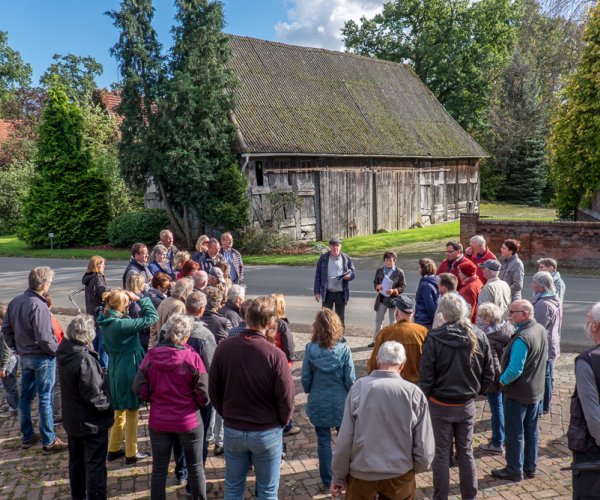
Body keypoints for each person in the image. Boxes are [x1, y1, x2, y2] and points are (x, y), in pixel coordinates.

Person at [209, 296, 295, 499]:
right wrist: (280, 423)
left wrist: (227, 414)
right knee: (266, 491)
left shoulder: (224, 348)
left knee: (233, 487)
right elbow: (286, 399)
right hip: (266, 430)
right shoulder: (275, 355)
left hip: (234, 429)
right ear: (270, 323)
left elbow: (214, 390)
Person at [330, 341, 435, 499]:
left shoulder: (359, 388)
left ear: (378, 361)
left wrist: (339, 476)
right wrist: (416, 468)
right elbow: (424, 445)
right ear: (402, 365)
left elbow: (344, 439)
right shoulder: (414, 393)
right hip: (399, 473)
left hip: (362, 474)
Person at [419, 293, 494, 499]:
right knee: (465, 451)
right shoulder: (479, 335)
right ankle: (469, 495)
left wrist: (424, 398)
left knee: (442, 454)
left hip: (441, 402)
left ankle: (440, 496)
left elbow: (426, 375)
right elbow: (490, 373)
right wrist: (476, 391)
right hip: (463, 402)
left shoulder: (434, 337)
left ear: (443, 313)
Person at [134, 314, 209, 500]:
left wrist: (152, 398)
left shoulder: (151, 357)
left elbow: (138, 387)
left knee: (159, 469)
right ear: (185, 336)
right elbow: (204, 393)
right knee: (196, 467)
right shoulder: (192, 358)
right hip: (188, 420)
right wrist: (195, 404)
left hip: (160, 420)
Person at [1, 266, 68, 452]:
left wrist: (17, 347)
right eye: (50, 283)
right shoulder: (38, 306)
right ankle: (49, 440)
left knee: (25, 397)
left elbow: (6, 329)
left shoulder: (15, 301)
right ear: (44, 285)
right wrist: (56, 352)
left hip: (25, 356)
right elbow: (44, 337)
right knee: (45, 398)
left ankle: (28, 435)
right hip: (41, 358)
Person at [97, 289, 158, 464]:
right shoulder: (121, 325)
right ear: (121, 305)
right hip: (128, 368)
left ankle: (113, 448)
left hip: (115, 367)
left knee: (119, 411)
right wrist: (141, 300)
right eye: (127, 303)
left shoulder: (105, 320)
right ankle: (132, 452)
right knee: (132, 410)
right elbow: (152, 317)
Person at [56, 314, 113, 500]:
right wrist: (109, 406)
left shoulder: (65, 350)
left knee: (77, 462)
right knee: (94, 465)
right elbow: (94, 396)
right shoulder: (83, 359)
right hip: (90, 423)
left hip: (73, 419)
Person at [492, 299, 548, 482]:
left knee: (514, 432)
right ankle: (530, 467)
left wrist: (501, 382)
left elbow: (515, 369)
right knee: (531, 430)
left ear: (524, 314)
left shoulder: (522, 338)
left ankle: (514, 469)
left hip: (518, 393)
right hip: (535, 390)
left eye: (512, 312)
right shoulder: (540, 329)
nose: (509, 315)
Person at [302, 309, 355, 490]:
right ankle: (344, 476)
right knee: (344, 440)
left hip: (319, 399)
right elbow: (350, 379)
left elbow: (305, 378)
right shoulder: (344, 350)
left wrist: (310, 390)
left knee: (323, 440)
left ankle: (327, 480)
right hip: (340, 401)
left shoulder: (310, 349)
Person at [568, 302, 600, 497]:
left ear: (595, 325)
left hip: (591, 450)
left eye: (587, 319)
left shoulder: (587, 360)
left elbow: (593, 414)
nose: (586, 324)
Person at [477, 303, 514, 455]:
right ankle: (505, 438)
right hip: (508, 376)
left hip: (496, 380)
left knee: (496, 409)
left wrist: (493, 382)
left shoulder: (488, 336)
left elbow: (493, 364)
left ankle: (497, 442)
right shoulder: (508, 328)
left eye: (482, 317)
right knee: (504, 408)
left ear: (487, 319)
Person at [367, 295, 428, 383]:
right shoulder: (423, 332)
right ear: (413, 313)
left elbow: (374, 363)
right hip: (416, 384)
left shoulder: (385, 332)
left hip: (390, 383)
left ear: (396, 312)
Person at [202, 286, 233, 456]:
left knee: (210, 405)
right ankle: (219, 441)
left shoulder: (200, 318)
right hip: (219, 365)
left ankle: (208, 437)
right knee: (219, 405)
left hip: (204, 366)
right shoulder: (222, 321)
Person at [531, 271, 561, 415]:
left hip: (545, 345)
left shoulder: (542, 304)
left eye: (535, 283)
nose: (532, 285)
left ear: (542, 287)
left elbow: (537, 327)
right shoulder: (549, 298)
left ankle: (544, 406)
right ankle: (545, 404)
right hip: (550, 342)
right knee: (547, 373)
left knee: (545, 375)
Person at [313, 237, 356, 326]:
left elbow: (353, 272)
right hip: (327, 293)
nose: (335, 247)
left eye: (337, 245)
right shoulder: (324, 258)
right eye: (333, 245)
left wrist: (349, 276)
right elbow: (318, 276)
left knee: (340, 319)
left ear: (340, 247)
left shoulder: (345, 258)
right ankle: (325, 337)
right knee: (325, 318)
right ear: (330, 247)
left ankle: (340, 338)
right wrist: (317, 292)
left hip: (341, 293)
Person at [371, 251, 406, 346]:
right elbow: (375, 282)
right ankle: (376, 341)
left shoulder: (399, 272)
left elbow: (403, 287)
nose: (388, 262)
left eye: (390, 260)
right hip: (382, 299)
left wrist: (394, 290)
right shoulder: (379, 270)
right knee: (378, 320)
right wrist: (377, 286)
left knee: (393, 322)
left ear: (394, 261)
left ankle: (392, 342)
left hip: (393, 300)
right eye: (386, 260)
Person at [82, 255, 109, 368]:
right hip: (100, 312)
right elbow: (102, 294)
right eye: (102, 264)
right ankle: (103, 367)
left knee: (95, 341)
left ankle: (93, 364)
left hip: (91, 312)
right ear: (97, 266)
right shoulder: (98, 278)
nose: (104, 266)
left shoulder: (88, 277)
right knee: (103, 343)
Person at [154, 278, 194, 347]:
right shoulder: (180, 305)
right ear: (187, 291)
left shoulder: (166, 300)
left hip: (159, 343)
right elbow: (176, 329)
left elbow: (154, 324)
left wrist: (153, 343)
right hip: (169, 345)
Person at [477, 259, 512, 324]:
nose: (482, 271)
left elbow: (484, 313)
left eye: (483, 269)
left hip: (492, 326)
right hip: (504, 324)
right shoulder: (505, 284)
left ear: (488, 271)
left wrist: (480, 330)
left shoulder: (488, 287)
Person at [0, 305, 19, 417]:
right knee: (7, 385)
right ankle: (10, 404)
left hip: (8, 362)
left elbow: (7, 350)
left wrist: (3, 367)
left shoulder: (4, 331)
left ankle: (14, 408)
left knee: (10, 386)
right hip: (8, 360)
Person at [414, 258, 440, 330]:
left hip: (424, 321)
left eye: (419, 267)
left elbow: (430, 305)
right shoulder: (436, 280)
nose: (418, 269)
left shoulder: (425, 285)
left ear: (424, 269)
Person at [458, 259, 482, 324]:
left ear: (465, 273)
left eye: (460, 272)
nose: (458, 274)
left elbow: (468, 311)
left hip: (470, 323)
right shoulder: (477, 281)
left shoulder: (469, 288)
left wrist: (465, 325)